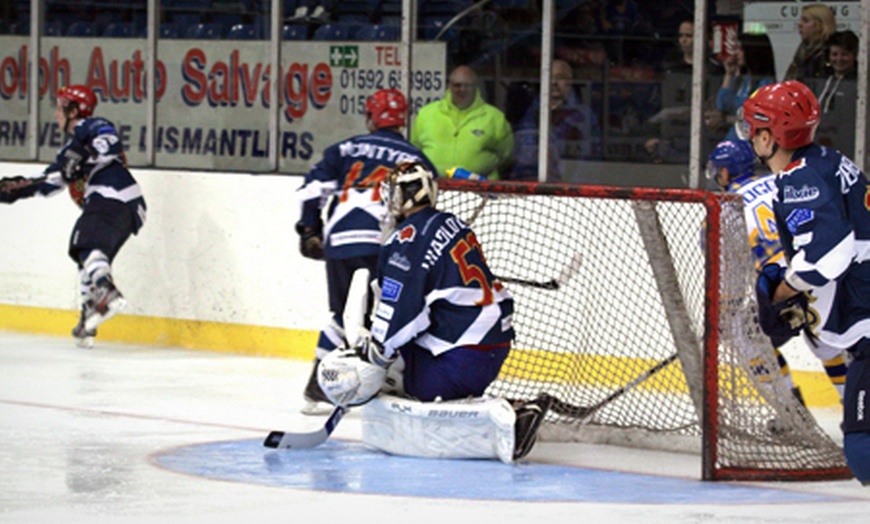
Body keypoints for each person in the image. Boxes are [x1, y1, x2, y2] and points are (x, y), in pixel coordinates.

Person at [315, 161, 553, 461]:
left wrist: (373, 356)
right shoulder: (451, 222)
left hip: (462, 354)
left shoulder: (405, 241)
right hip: (487, 345)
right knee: (396, 361)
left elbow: (402, 315)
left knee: (400, 384)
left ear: (397, 197)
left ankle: (511, 413)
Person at [739, 80, 870, 484]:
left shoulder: (800, 178)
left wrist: (784, 289)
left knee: (863, 449)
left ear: (768, 136)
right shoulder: (828, 159)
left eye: (753, 130)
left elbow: (830, 256)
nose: (750, 138)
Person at [295, 88, 436, 415]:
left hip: (341, 242)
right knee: (387, 315)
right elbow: (423, 209)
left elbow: (313, 188)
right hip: (384, 244)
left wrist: (309, 229)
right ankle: (384, 381)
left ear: (370, 117)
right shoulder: (415, 158)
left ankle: (319, 387)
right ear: (403, 119)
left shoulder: (345, 148)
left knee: (344, 314)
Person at [0, 84, 146, 349]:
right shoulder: (68, 151)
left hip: (113, 195)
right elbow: (51, 182)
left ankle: (106, 292)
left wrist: (80, 154)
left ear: (74, 109)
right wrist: (19, 189)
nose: (56, 113)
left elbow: (109, 144)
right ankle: (88, 318)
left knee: (85, 243)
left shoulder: (91, 126)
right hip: (123, 205)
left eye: (60, 106)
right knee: (87, 255)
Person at [706, 139, 846, 402]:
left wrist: (724, 315)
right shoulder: (784, 179)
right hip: (824, 272)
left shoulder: (724, 209)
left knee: (743, 335)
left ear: (724, 173)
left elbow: (729, 279)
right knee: (829, 344)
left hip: (783, 288)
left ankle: (789, 410)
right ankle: (859, 418)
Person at [409, 65, 514, 180]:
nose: (462, 90)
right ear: (449, 86)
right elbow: (415, 150)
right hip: (433, 186)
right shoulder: (426, 114)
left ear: (475, 87)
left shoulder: (495, 118)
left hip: (481, 190)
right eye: (457, 85)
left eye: (467, 85)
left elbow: (506, 156)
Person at [510, 59, 601, 181]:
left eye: (560, 77)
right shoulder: (530, 111)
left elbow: (590, 160)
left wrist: (574, 188)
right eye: (549, 77)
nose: (553, 82)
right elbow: (519, 155)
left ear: (570, 82)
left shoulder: (584, 116)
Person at [715, 32, 776, 142]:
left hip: (749, 142)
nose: (737, 54)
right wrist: (728, 75)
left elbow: (755, 118)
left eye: (741, 50)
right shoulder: (741, 79)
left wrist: (729, 119)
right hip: (731, 139)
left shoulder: (766, 84)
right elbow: (722, 105)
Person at [815, 30, 859, 157]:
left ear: (854, 55)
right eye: (834, 54)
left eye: (844, 54)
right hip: (821, 142)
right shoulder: (822, 79)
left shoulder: (858, 83)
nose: (839, 59)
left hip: (848, 146)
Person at [782, 4, 836, 82]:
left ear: (820, 26)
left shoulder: (829, 53)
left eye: (806, 21)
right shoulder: (803, 50)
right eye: (801, 20)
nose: (800, 25)